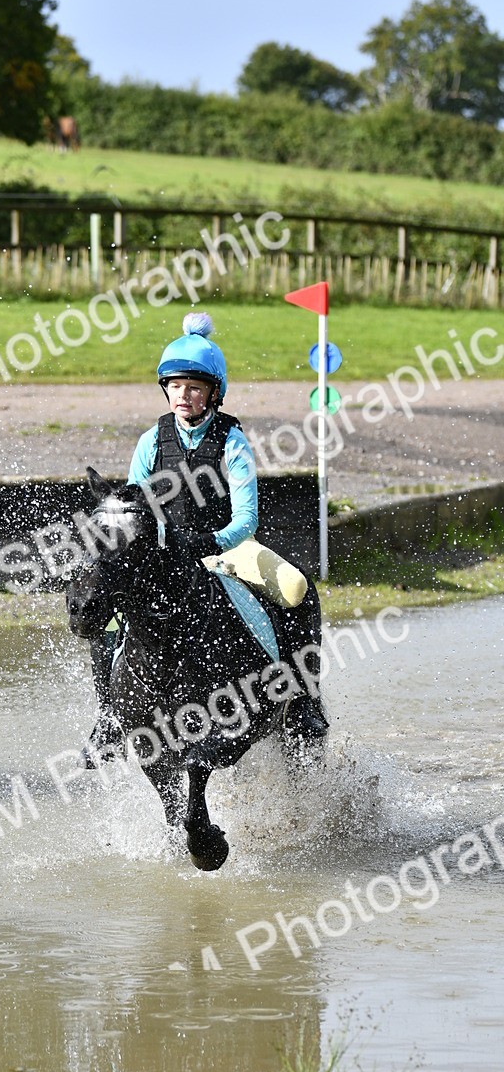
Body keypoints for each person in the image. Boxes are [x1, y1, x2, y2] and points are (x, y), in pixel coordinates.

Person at [82, 311, 328, 765]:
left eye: (193, 388)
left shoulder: (232, 442)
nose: (183, 396)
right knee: (111, 609)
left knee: (296, 587)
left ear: (214, 392)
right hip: (164, 555)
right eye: (175, 386)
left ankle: (304, 701)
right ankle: (109, 717)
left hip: (229, 549)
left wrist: (205, 543)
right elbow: (135, 510)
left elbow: (246, 520)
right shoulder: (151, 441)